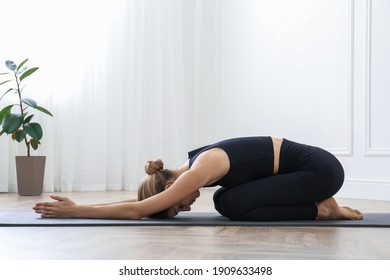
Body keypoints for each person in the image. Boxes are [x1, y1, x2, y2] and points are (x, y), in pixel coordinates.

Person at [33, 136, 363, 221]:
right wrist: (84, 204)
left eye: (176, 206)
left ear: (167, 187)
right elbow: (141, 205)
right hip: (307, 171)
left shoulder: (200, 168)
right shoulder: (192, 169)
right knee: (226, 200)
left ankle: (323, 210)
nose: (186, 208)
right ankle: (318, 207)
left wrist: (78, 211)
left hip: (320, 171)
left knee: (230, 201)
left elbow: (139, 210)